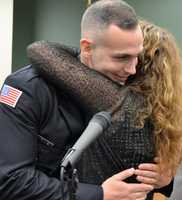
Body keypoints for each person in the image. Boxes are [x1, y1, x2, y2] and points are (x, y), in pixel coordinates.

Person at [26, 1, 182, 200]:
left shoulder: (120, 103)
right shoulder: (158, 112)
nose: (130, 66)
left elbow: (41, 50)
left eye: (133, 56)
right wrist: (167, 181)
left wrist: (93, 48)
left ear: (141, 64)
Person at [0, 1, 158, 200]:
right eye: (121, 58)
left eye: (137, 57)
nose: (131, 69)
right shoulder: (28, 88)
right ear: (87, 48)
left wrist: (164, 179)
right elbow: (11, 181)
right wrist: (98, 194)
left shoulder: (132, 82)